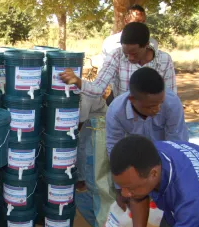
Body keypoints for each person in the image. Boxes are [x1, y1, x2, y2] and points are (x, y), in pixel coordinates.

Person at [67, 22, 173, 193]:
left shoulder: (164, 60)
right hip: (124, 120)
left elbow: (170, 96)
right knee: (123, 164)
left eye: (134, 53)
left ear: (146, 46)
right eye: (126, 53)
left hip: (154, 120)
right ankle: (123, 196)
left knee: (153, 166)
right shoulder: (117, 56)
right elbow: (98, 87)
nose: (129, 58)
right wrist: (78, 81)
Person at [105, 67, 188, 227]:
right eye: (151, 106)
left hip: (166, 161)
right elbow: (115, 152)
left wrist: (164, 184)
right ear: (133, 99)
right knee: (128, 200)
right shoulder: (116, 111)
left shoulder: (171, 104)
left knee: (174, 208)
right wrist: (121, 188)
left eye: (160, 103)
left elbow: (177, 149)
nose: (158, 109)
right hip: (136, 160)